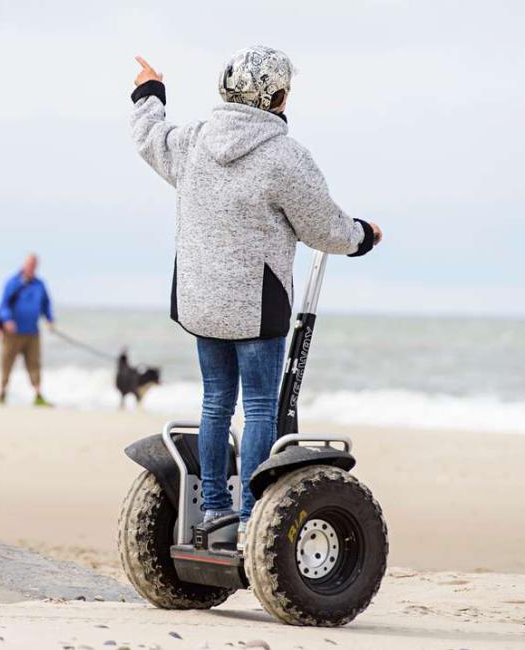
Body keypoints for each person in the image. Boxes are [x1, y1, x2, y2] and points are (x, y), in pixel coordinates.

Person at [129, 47, 382, 538]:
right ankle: (251, 516)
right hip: (255, 304)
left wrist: (149, 91)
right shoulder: (284, 156)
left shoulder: (196, 141)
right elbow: (324, 228)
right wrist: (363, 236)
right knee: (262, 405)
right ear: (276, 96)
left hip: (201, 300)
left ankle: (213, 511)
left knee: (215, 401)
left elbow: (149, 137)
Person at [0, 253, 55, 407]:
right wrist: (7, 319)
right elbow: (3, 305)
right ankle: (2, 393)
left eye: (34, 265)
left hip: (32, 332)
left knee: (34, 363)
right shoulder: (13, 282)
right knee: (7, 362)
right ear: (24, 265)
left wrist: (50, 320)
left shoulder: (39, 285)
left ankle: (38, 394)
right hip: (13, 332)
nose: (31, 268)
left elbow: (46, 304)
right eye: (29, 264)